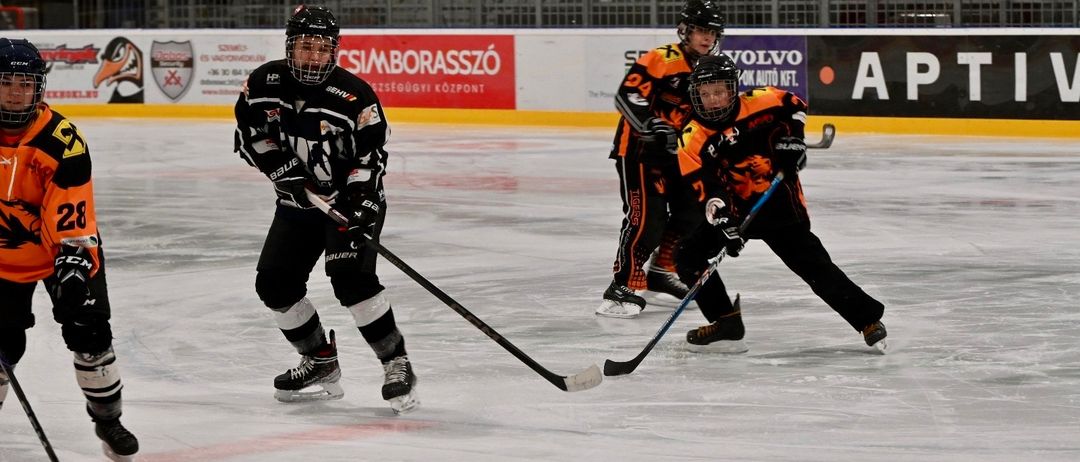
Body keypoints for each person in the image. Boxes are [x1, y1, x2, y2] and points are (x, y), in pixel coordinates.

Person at [233, 5, 419, 413]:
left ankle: (396, 362)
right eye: (306, 47)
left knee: (351, 280)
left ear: (334, 51)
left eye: (322, 48)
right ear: (290, 47)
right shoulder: (262, 84)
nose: (314, 56)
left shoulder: (355, 96)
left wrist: (361, 202)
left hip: (349, 204)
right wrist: (282, 170)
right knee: (274, 285)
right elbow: (250, 135)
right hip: (297, 205)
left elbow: (371, 157)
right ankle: (319, 360)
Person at [673, 54, 888, 353]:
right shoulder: (692, 136)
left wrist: (794, 139)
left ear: (733, 88)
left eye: (719, 91)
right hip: (734, 209)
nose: (712, 100)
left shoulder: (764, 100)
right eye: (705, 94)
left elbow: (795, 105)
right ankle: (726, 322)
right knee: (688, 256)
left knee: (813, 265)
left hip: (778, 203)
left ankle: (867, 320)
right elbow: (702, 186)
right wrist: (721, 220)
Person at [0, 38, 139, 459]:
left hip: (60, 250)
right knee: (4, 343)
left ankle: (108, 419)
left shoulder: (63, 141)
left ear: (39, 88)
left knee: (89, 331)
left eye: (26, 84)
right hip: (3, 260)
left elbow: (73, 215)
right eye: (6, 83)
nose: (16, 93)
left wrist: (74, 263)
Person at [597, 0, 725, 318]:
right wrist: (650, 124)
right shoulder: (663, 58)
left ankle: (660, 272)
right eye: (700, 30)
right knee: (646, 220)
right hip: (640, 152)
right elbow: (628, 94)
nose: (707, 37)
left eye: (712, 32)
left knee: (694, 210)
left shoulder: (711, 67)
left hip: (679, 155)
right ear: (685, 30)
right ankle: (622, 285)